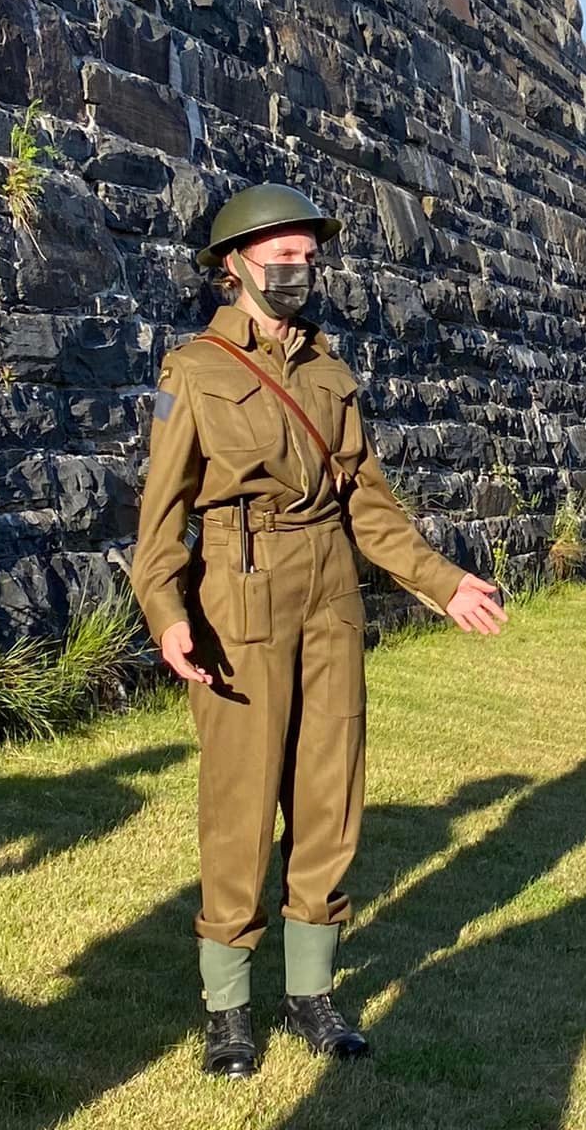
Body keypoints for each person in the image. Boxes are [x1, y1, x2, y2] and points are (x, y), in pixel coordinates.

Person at [130, 183, 508, 1079]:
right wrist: (168, 614)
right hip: (239, 595)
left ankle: (311, 994)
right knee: (240, 801)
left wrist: (442, 583)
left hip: (331, 595)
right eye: (280, 256)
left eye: (307, 255)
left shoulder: (332, 376)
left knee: (330, 796)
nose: (297, 270)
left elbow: (370, 510)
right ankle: (228, 1011)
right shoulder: (196, 372)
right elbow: (160, 521)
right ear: (234, 265)